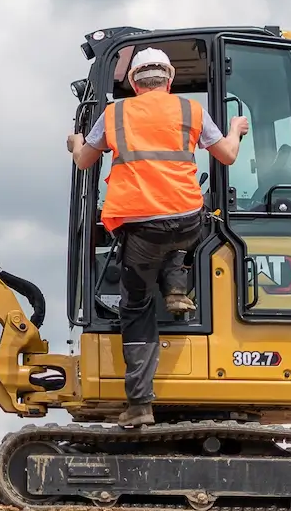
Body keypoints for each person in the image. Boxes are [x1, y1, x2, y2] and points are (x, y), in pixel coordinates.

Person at [66, 47, 249, 428]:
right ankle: (177, 287)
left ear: (133, 83)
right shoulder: (191, 111)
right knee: (183, 234)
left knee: (135, 304)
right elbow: (228, 155)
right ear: (169, 80)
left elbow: (85, 160)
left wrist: (75, 144)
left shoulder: (115, 113)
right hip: (186, 220)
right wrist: (235, 130)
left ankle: (139, 403)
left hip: (141, 226)